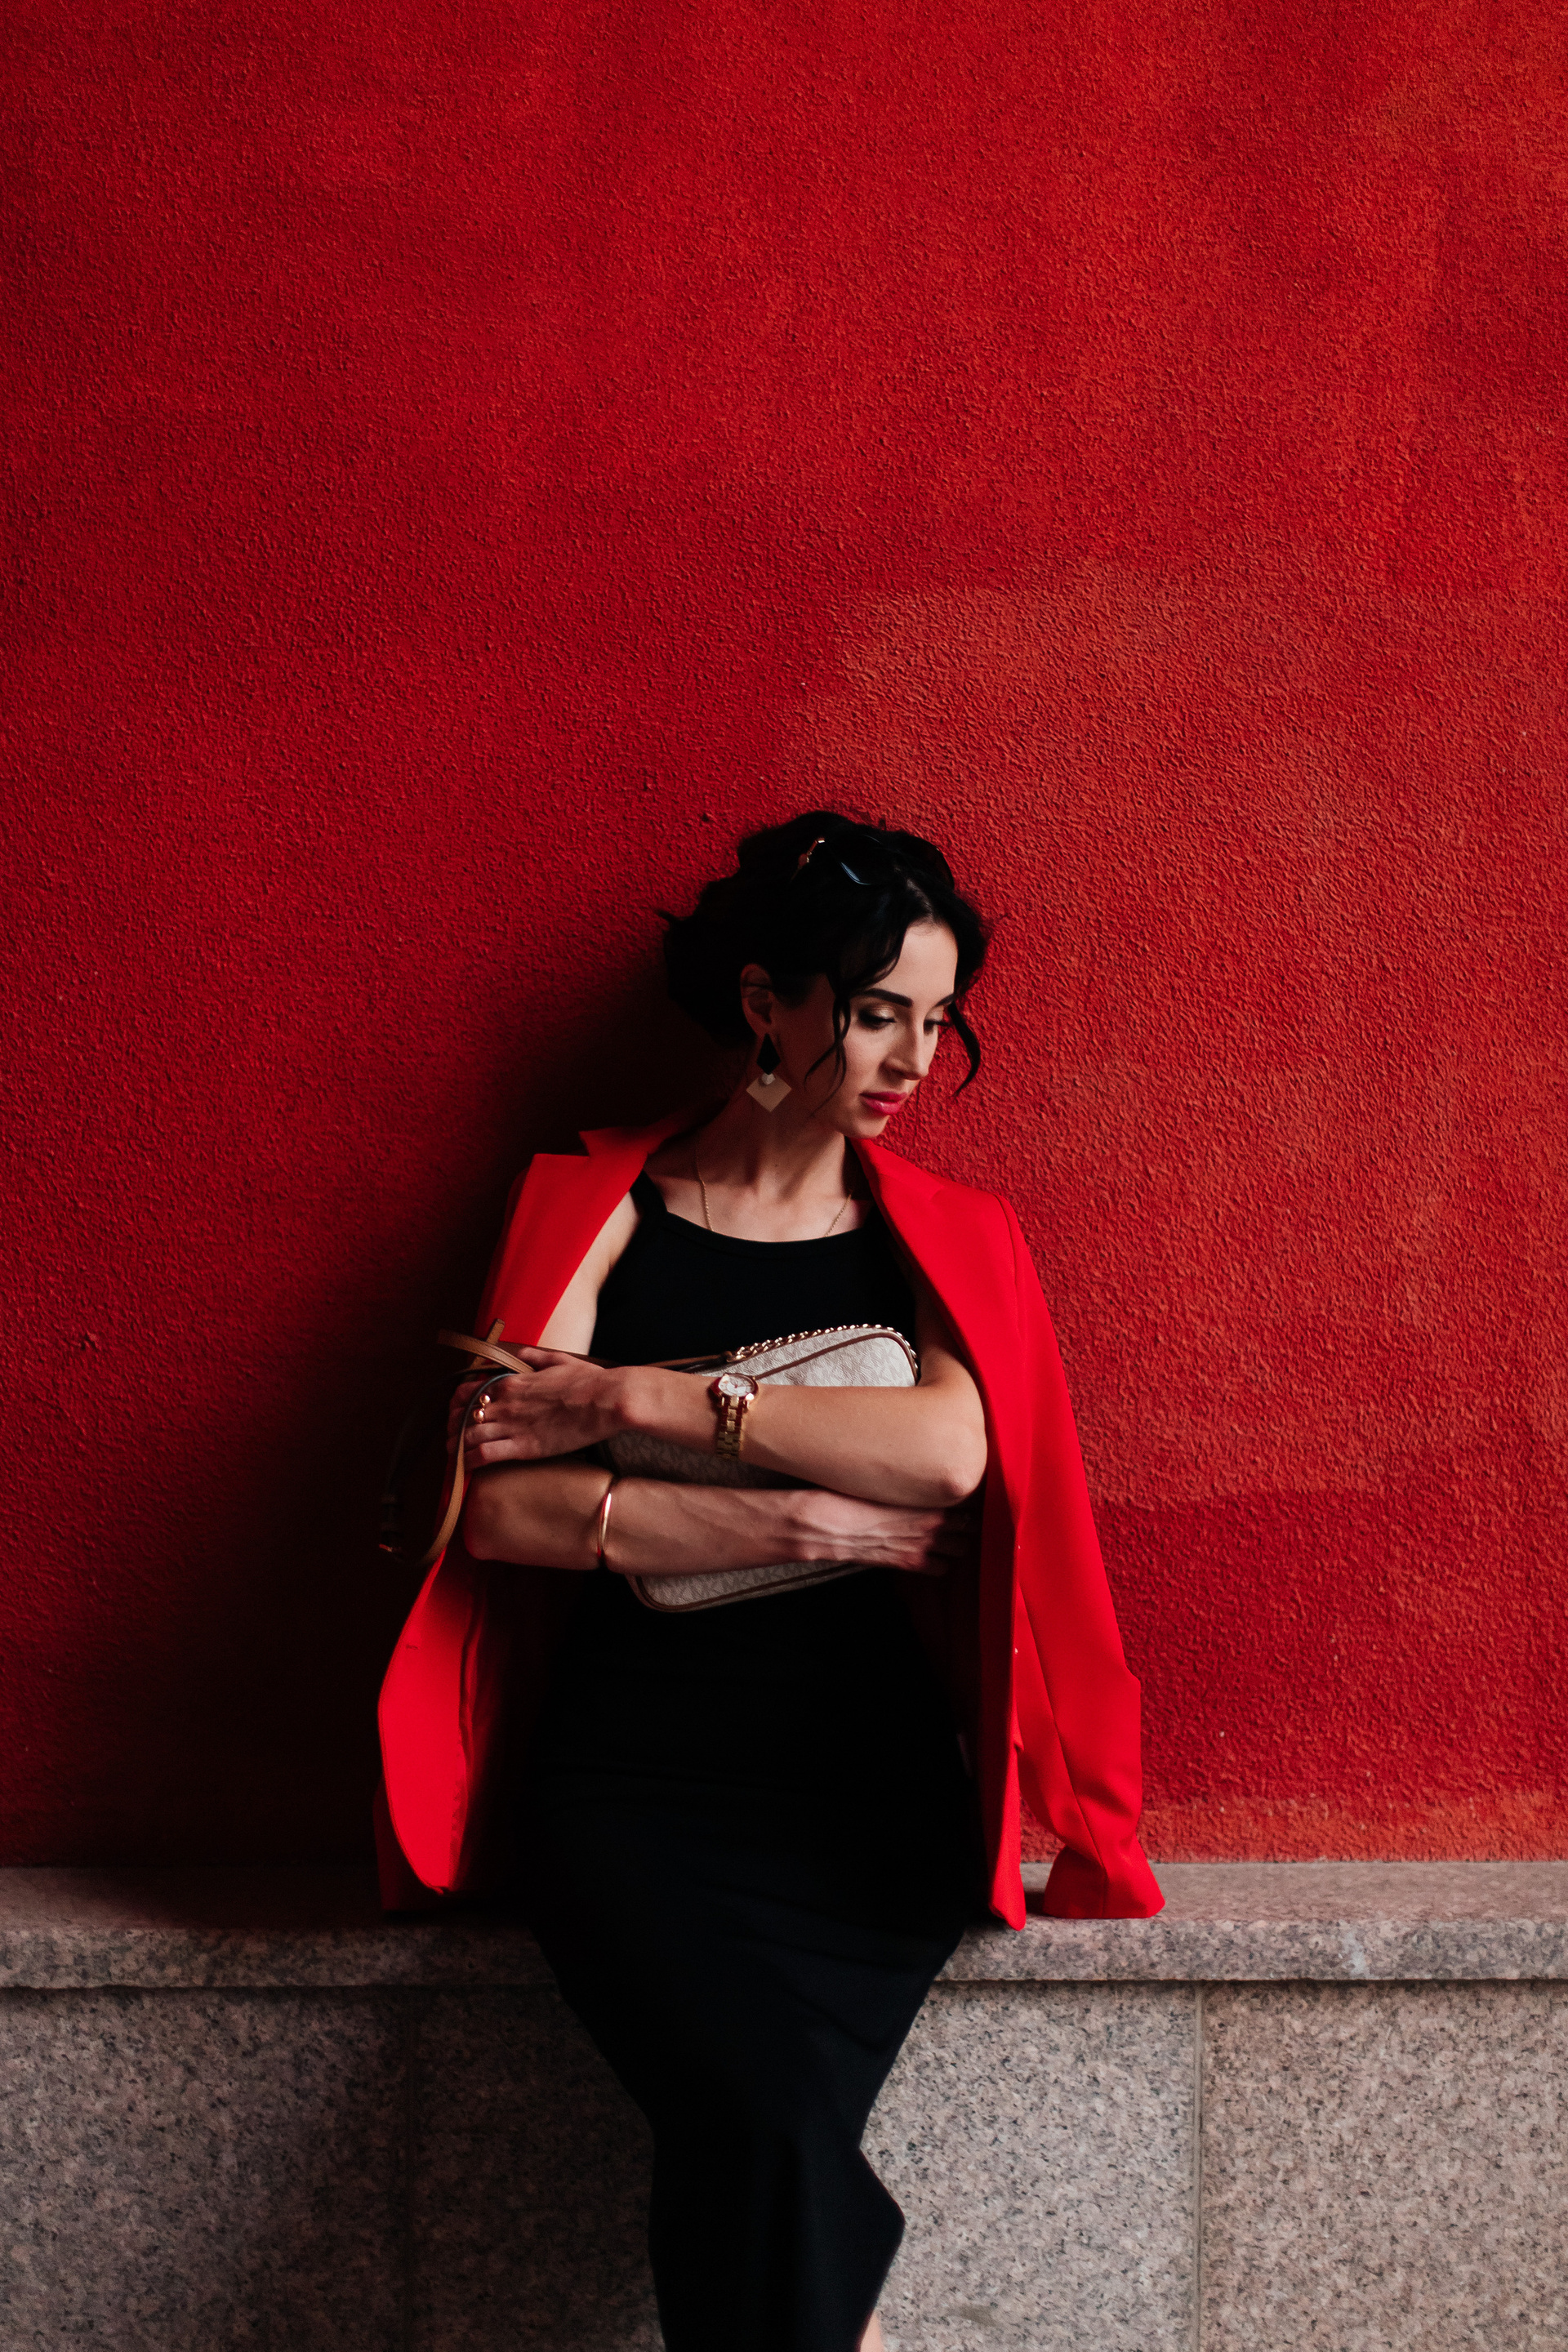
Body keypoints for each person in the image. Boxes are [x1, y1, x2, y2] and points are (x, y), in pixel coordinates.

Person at [376, 810, 1162, 2352]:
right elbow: (504, 1516)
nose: (913, 1057)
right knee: (768, 2121)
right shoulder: (593, 1206)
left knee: (759, 2128)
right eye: (874, 1013)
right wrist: (800, 1527)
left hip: (868, 1801)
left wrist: (637, 1400)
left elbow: (946, 1453)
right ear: (765, 1002)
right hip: (635, 1791)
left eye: (937, 1019)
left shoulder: (942, 1239)